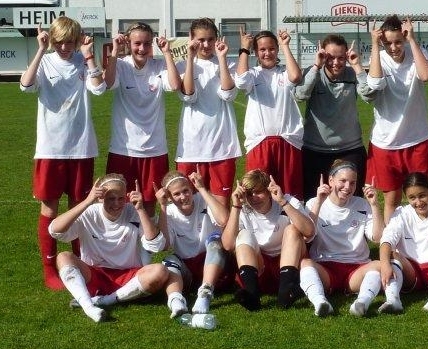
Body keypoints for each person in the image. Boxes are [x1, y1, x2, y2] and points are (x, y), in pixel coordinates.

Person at [20, 16, 106, 290]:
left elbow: (99, 89)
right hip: (50, 149)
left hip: (82, 148)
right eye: (59, 43)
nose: (65, 48)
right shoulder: (45, 61)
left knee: (79, 208)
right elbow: (25, 85)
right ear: (52, 41)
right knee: (50, 208)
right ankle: (49, 268)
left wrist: (89, 56)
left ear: (77, 40)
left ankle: (80, 263)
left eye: (70, 42)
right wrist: (40, 50)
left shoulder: (83, 60)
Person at [49, 175, 174, 322]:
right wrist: (87, 201)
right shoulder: (90, 212)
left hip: (129, 276)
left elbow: (156, 245)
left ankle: (105, 301)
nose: (117, 204)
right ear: (100, 198)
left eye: (121, 198)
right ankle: (89, 307)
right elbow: (55, 230)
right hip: (94, 275)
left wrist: (140, 209)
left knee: (160, 271)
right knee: (63, 257)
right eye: (111, 199)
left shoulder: (133, 210)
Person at [103, 21, 181, 217]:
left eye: (147, 43)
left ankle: (148, 239)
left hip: (155, 150)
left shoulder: (159, 65)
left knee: (149, 206)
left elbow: (175, 85)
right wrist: (114, 52)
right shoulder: (121, 65)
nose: (142, 48)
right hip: (123, 149)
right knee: (120, 206)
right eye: (137, 43)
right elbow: (108, 83)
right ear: (128, 43)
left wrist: (167, 53)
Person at [366, 15, 428, 223]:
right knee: (392, 199)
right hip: (386, 142)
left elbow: (426, 76)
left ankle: (421, 238)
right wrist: (375, 45)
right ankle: (391, 241)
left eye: (398, 42)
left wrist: (412, 40)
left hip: (417, 139)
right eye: (388, 43)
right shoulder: (378, 58)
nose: (393, 48)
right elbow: (375, 84)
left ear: (404, 38)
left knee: (420, 195)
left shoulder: (416, 52)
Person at [293, 34, 375, 201]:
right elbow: (300, 95)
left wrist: (357, 66)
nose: (335, 62)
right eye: (330, 57)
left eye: (341, 58)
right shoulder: (312, 72)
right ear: (323, 55)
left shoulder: (352, 74)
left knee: (352, 200)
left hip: (350, 149)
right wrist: (317, 66)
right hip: (315, 149)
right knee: (314, 201)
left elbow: (369, 95)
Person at [299, 160, 385, 317]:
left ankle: (362, 303)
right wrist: (319, 202)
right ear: (331, 180)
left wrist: (374, 205)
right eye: (343, 181)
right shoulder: (314, 202)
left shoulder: (362, 204)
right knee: (305, 263)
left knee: (379, 265)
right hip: (325, 266)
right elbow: (307, 236)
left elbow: (377, 237)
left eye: (352, 183)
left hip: (356, 267)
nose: (347, 187)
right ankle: (320, 303)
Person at [221, 169, 314, 311]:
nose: (254, 198)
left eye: (258, 192)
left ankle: (285, 292)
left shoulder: (287, 200)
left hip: (289, 265)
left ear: (268, 191)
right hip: (260, 268)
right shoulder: (243, 208)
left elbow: (309, 232)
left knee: (292, 230)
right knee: (243, 234)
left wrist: (283, 202)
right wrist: (236, 206)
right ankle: (252, 294)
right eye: (249, 194)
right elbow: (228, 245)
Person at [175, 18, 242, 207]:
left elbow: (228, 94)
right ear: (191, 38)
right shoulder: (182, 65)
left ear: (217, 39)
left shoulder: (228, 63)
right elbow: (188, 96)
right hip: (191, 148)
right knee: (187, 206)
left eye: (210, 39)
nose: (206, 45)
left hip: (222, 149)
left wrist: (221, 59)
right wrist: (190, 58)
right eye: (201, 40)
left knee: (221, 209)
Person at [235, 29, 304, 200]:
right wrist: (244, 49)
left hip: (287, 140)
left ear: (277, 49)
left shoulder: (284, 72)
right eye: (262, 49)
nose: (267, 53)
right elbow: (241, 81)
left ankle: (290, 219)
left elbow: (296, 77)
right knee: (258, 194)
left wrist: (285, 45)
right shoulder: (253, 74)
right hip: (259, 142)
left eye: (272, 48)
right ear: (256, 52)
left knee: (289, 195)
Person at [379, 172, 428, 314]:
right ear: (406, 197)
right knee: (390, 255)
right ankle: (393, 300)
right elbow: (386, 240)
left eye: (422, 195)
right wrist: (385, 265)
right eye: (412, 198)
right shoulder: (401, 213)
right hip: (410, 271)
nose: (418, 202)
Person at [154, 169, 231, 315]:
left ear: (191, 188)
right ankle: (176, 301)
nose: (183, 197)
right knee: (169, 260)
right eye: (176, 194)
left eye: (186, 190)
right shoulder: (168, 212)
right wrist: (162, 206)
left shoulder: (203, 198)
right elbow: (164, 245)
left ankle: (204, 295)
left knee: (215, 242)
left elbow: (224, 219)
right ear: (169, 197)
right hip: (188, 270)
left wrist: (202, 189)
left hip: (213, 264)